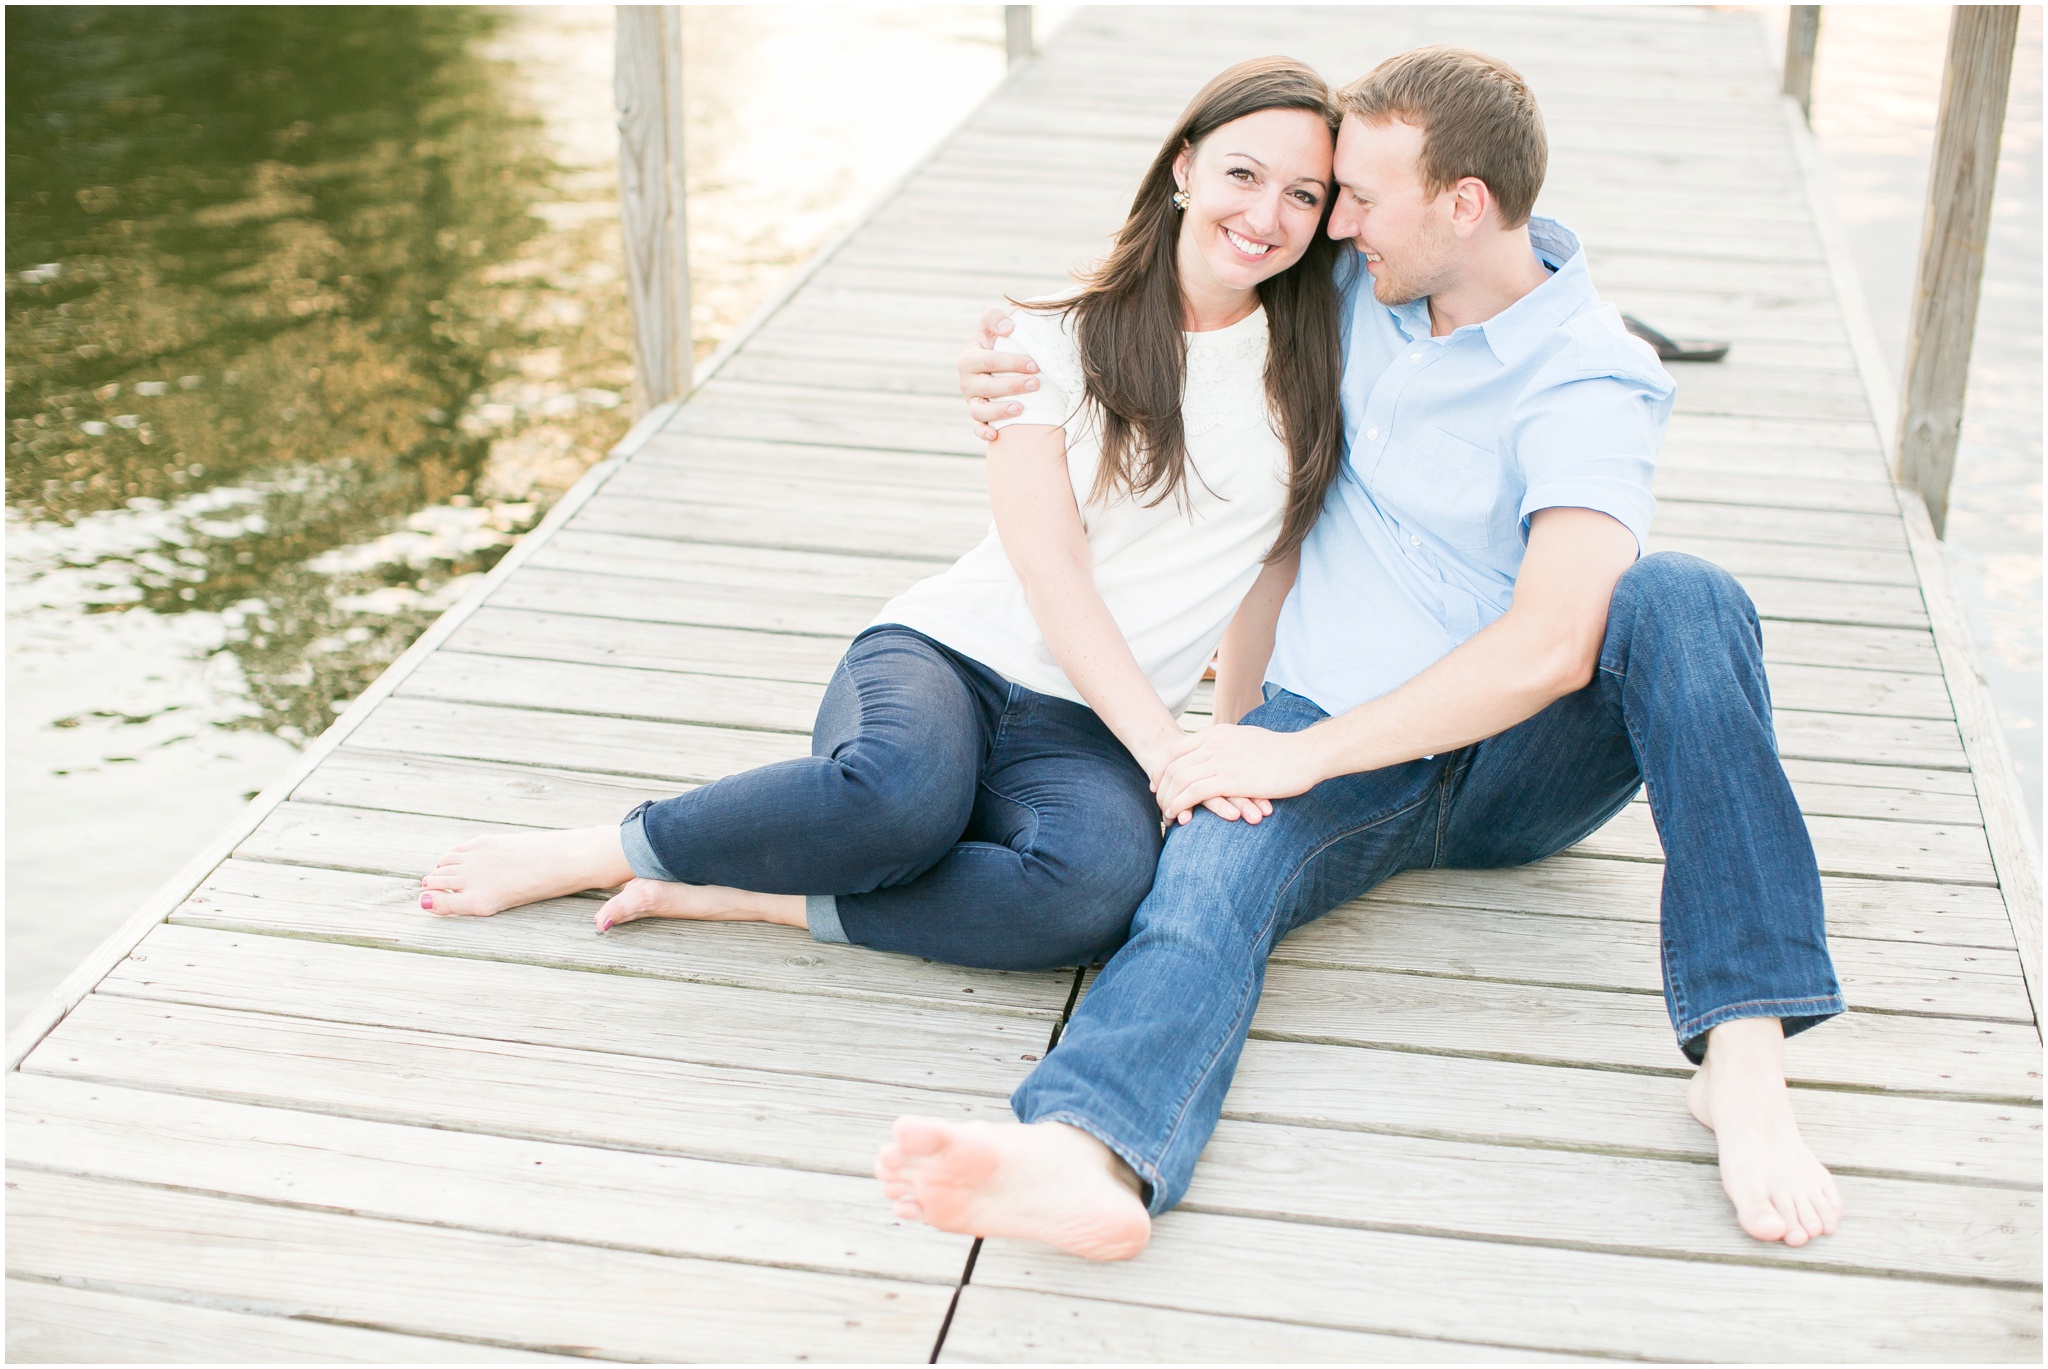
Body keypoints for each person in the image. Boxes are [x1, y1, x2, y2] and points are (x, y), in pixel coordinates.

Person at [879, 45, 1846, 1262]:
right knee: (1201, 888)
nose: (1330, 221)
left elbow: (1552, 646)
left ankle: (1743, 1066)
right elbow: (1182, 271)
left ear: (1463, 205)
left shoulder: (1595, 372)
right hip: (1318, 726)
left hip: (1511, 767)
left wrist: (1299, 756)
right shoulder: (1348, 284)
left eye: (1356, 199)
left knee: (1682, 597)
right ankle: (1087, 1150)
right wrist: (1011, 369)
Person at [416, 58, 1346, 974]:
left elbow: (1266, 576)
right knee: (902, 798)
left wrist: (1231, 750)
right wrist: (1168, 753)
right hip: (950, 657)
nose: (1266, 216)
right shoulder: (1047, 335)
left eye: (1303, 195)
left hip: (1092, 730)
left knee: (1094, 888)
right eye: (1243, 174)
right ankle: (604, 849)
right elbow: (1049, 563)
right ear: (1183, 168)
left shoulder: (1313, 376)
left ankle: (756, 894)